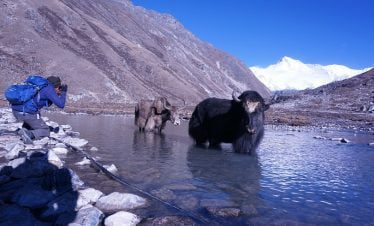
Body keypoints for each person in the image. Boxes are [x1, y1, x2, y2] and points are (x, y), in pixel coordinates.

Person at [11, 76, 68, 144]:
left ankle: (25, 129)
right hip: (26, 113)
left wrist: (57, 94)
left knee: (34, 114)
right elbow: (61, 105)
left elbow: (47, 103)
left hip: (16, 111)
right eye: (59, 86)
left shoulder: (40, 87)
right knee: (45, 130)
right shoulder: (49, 89)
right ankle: (29, 134)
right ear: (56, 85)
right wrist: (63, 92)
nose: (59, 88)